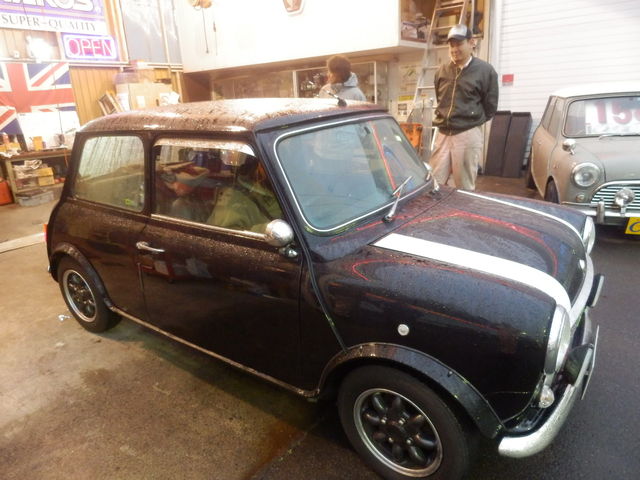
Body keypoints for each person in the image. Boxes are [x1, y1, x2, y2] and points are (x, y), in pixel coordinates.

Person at [429, 24, 498, 191]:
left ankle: (462, 208)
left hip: (467, 132)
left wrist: (471, 120)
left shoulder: (485, 71)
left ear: (471, 42)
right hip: (443, 133)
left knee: (464, 185)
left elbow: (490, 106)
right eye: (451, 45)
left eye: (459, 44)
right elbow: (440, 99)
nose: (454, 49)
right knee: (434, 182)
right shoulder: (442, 71)